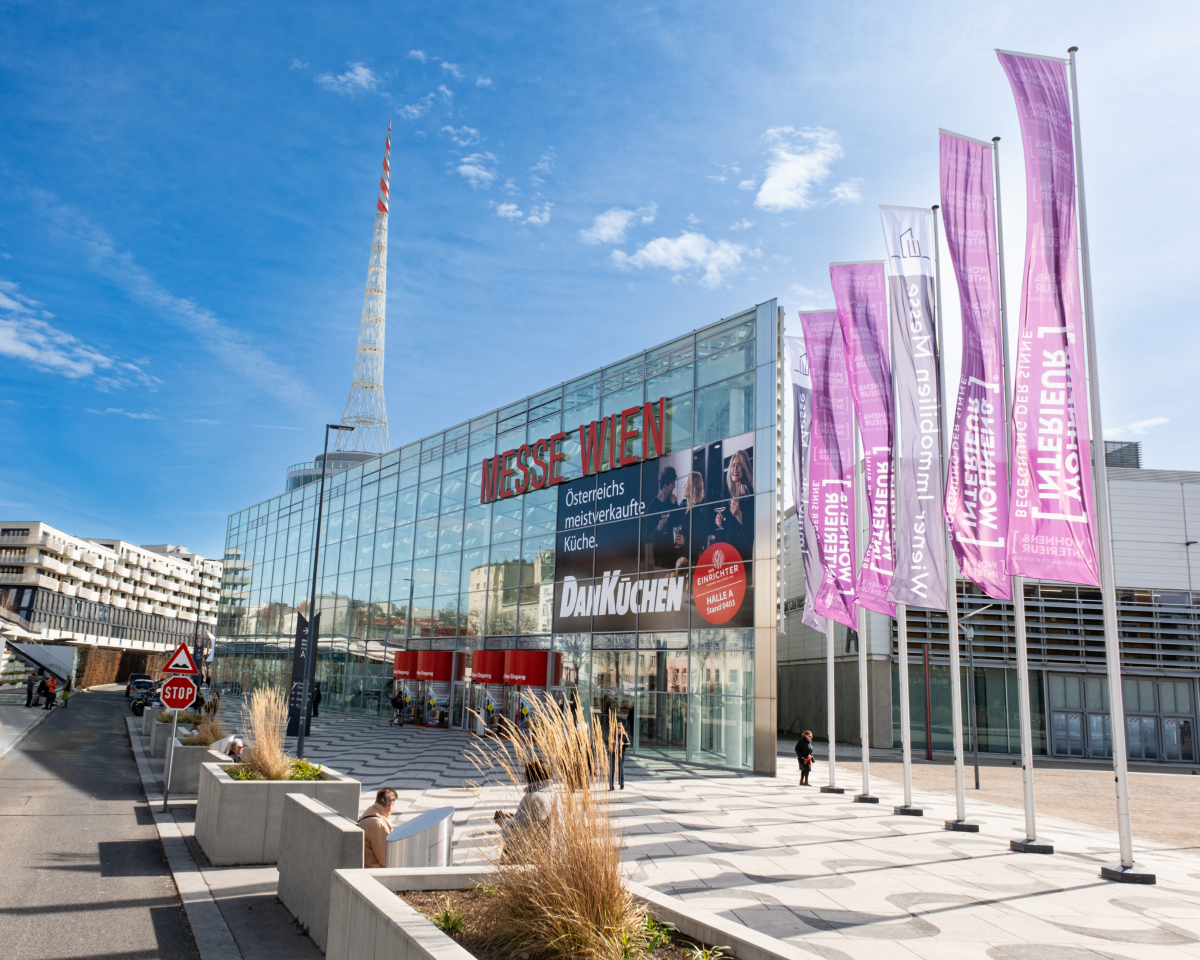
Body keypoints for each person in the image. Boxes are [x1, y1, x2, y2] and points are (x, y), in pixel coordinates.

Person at [495, 761, 552, 863]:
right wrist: (517, 817)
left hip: (535, 856)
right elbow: (534, 820)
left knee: (507, 849)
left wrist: (503, 822)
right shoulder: (552, 793)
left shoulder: (532, 798)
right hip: (550, 850)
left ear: (529, 777)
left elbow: (515, 835)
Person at [714, 449, 755, 560]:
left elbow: (752, 531)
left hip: (742, 556)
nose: (735, 469)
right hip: (728, 554)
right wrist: (720, 522)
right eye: (733, 465)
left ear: (745, 468)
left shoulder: (750, 494)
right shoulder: (729, 495)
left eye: (739, 465)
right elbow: (729, 529)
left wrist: (738, 515)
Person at [358, 787, 398, 868]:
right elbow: (385, 859)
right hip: (374, 870)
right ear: (390, 806)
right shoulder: (378, 824)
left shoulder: (369, 812)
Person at [608, 721, 630, 791]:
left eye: (620, 727)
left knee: (621, 769)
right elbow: (607, 742)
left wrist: (623, 744)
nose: (618, 729)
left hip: (621, 754)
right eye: (617, 727)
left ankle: (621, 784)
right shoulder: (612, 735)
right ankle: (611, 786)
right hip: (613, 753)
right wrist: (610, 742)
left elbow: (628, 743)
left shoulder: (624, 735)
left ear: (622, 728)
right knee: (612, 769)